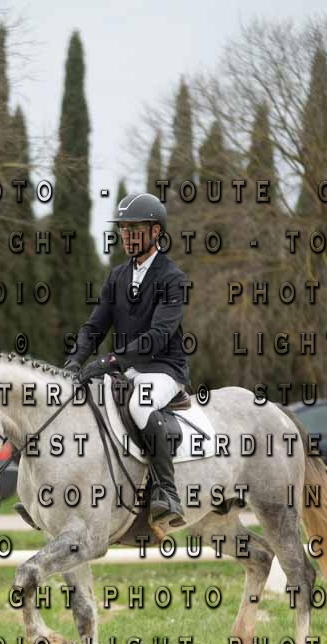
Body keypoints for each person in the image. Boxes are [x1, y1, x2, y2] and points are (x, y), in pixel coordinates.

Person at [63, 192, 190, 528]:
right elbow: (94, 326)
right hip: (127, 368)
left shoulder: (172, 278)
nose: (127, 235)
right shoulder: (117, 276)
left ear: (156, 232)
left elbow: (158, 335)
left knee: (140, 406)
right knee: (86, 403)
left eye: (135, 228)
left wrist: (111, 361)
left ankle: (167, 492)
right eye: (123, 228)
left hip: (163, 368)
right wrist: (75, 361)